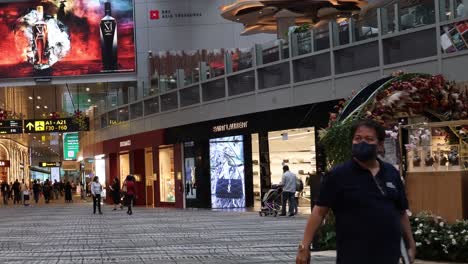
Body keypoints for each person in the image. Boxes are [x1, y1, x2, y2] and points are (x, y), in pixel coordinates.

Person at [296, 119, 416, 264]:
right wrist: (304, 247)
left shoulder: (391, 173)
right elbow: (319, 211)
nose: (362, 143)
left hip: (389, 255)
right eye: (358, 138)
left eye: (369, 139)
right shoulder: (338, 175)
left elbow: (401, 212)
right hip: (353, 256)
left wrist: (410, 243)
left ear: (380, 144)